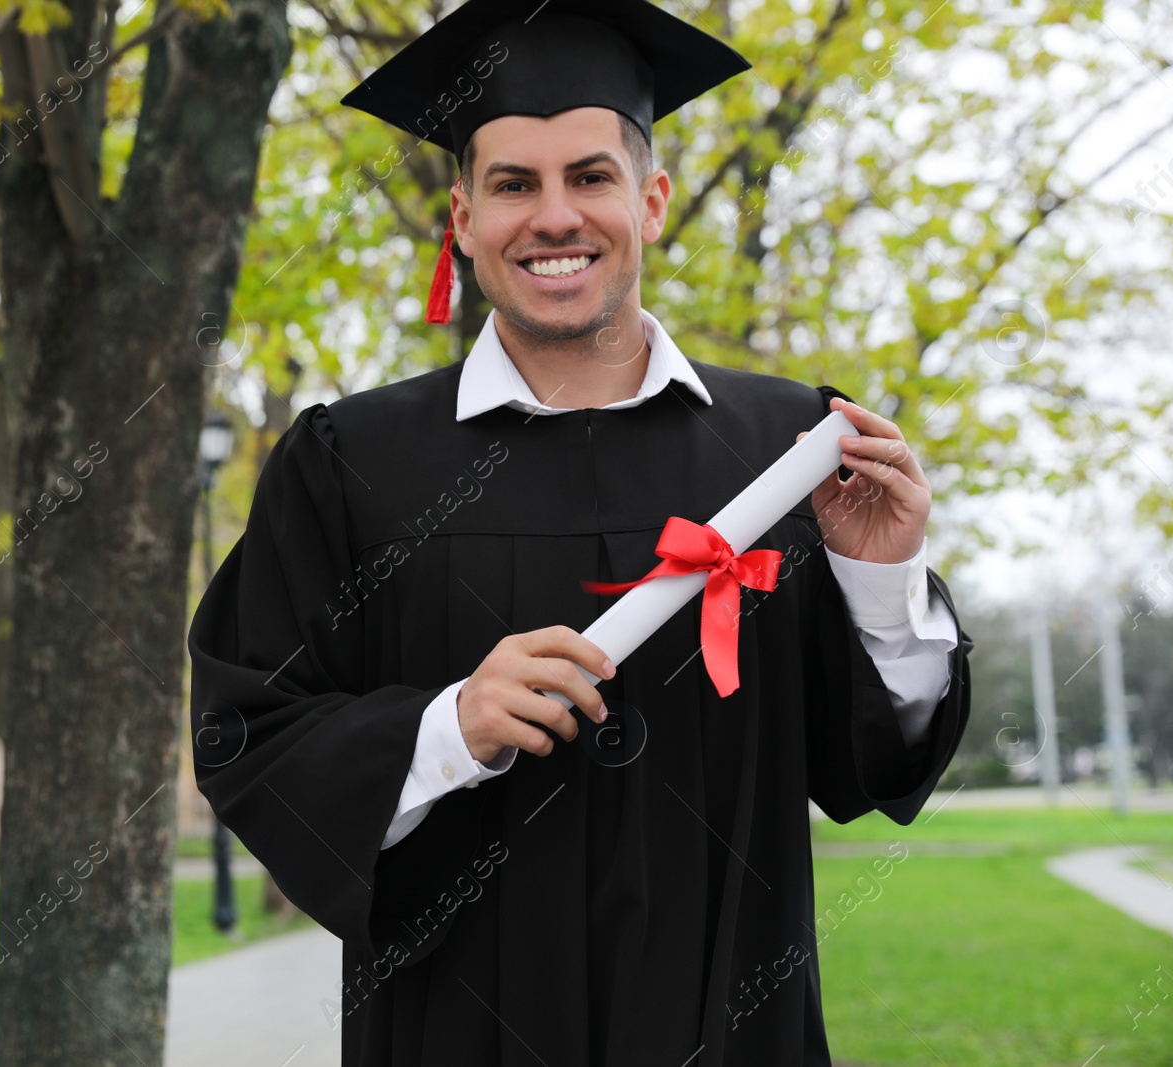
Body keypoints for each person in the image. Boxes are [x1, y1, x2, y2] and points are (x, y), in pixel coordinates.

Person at [187, 1, 972, 1063]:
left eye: (589, 177)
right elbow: (247, 731)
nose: (554, 216)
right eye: (513, 183)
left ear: (648, 201)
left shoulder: (784, 451)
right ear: (460, 218)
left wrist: (881, 582)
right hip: (453, 1028)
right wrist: (443, 729)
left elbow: (863, 767)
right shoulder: (350, 464)